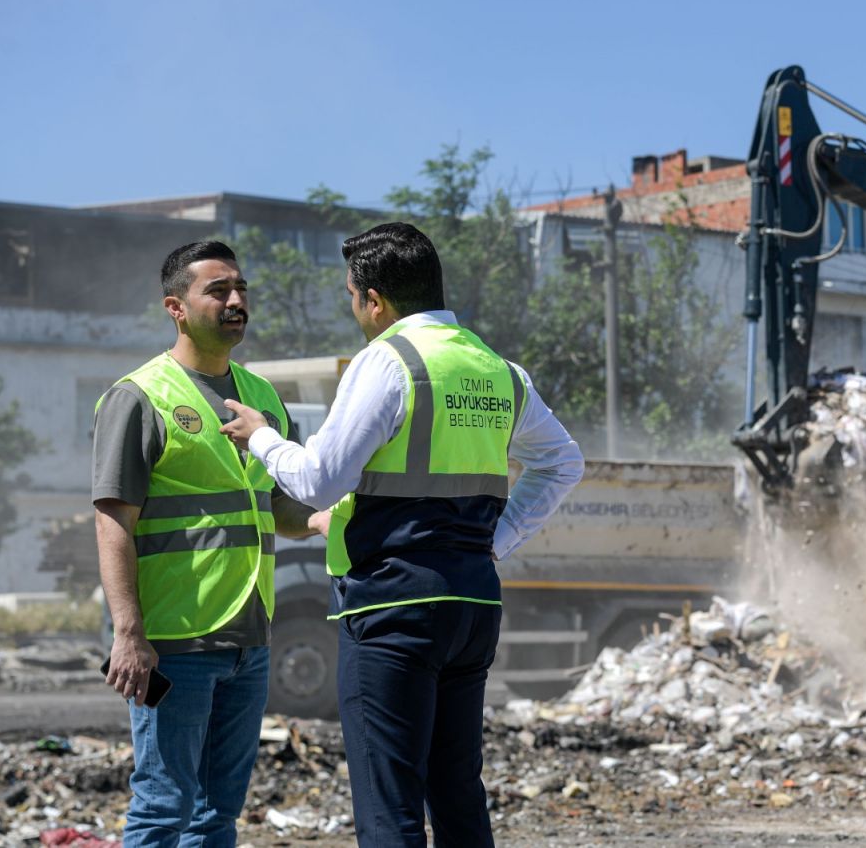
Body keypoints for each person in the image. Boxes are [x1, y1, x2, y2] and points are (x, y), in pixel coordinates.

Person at [222, 222, 584, 847]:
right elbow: (563, 463)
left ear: (374, 300)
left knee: (389, 803)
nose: (353, 309)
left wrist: (261, 437)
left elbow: (319, 481)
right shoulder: (498, 370)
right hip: (473, 603)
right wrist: (491, 543)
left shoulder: (387, 362)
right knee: (458, 795)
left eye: (350, 296)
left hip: (393, 606)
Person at [94, 240, 319, 846]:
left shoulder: (264, 398)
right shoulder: (139, 397)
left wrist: (323, 519)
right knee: (163, 809)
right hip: (175, 641)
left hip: (251, 636)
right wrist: (128, 633)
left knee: (218, 814)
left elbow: (274, 506)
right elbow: (112, 521)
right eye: (218, 291)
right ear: (176, 307)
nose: (236, 300)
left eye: (241, 289)